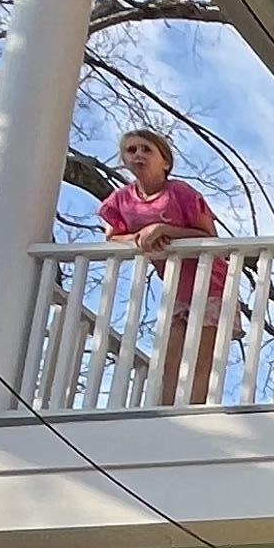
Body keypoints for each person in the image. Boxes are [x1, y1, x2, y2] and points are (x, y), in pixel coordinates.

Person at [99, 129, 224, 402]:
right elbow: (113, 236)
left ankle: (193, 409)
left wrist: (164, 229)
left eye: (146, 149)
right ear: (124, 160)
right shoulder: (122, 199)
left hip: (211, 283)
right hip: (176, 289)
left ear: (165, 162)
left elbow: (209, 236)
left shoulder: (179, 192)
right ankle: (167, 410)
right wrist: (138, 238)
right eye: (131, 150)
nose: (138, 155)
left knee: (201, 356)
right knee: (170, 356)